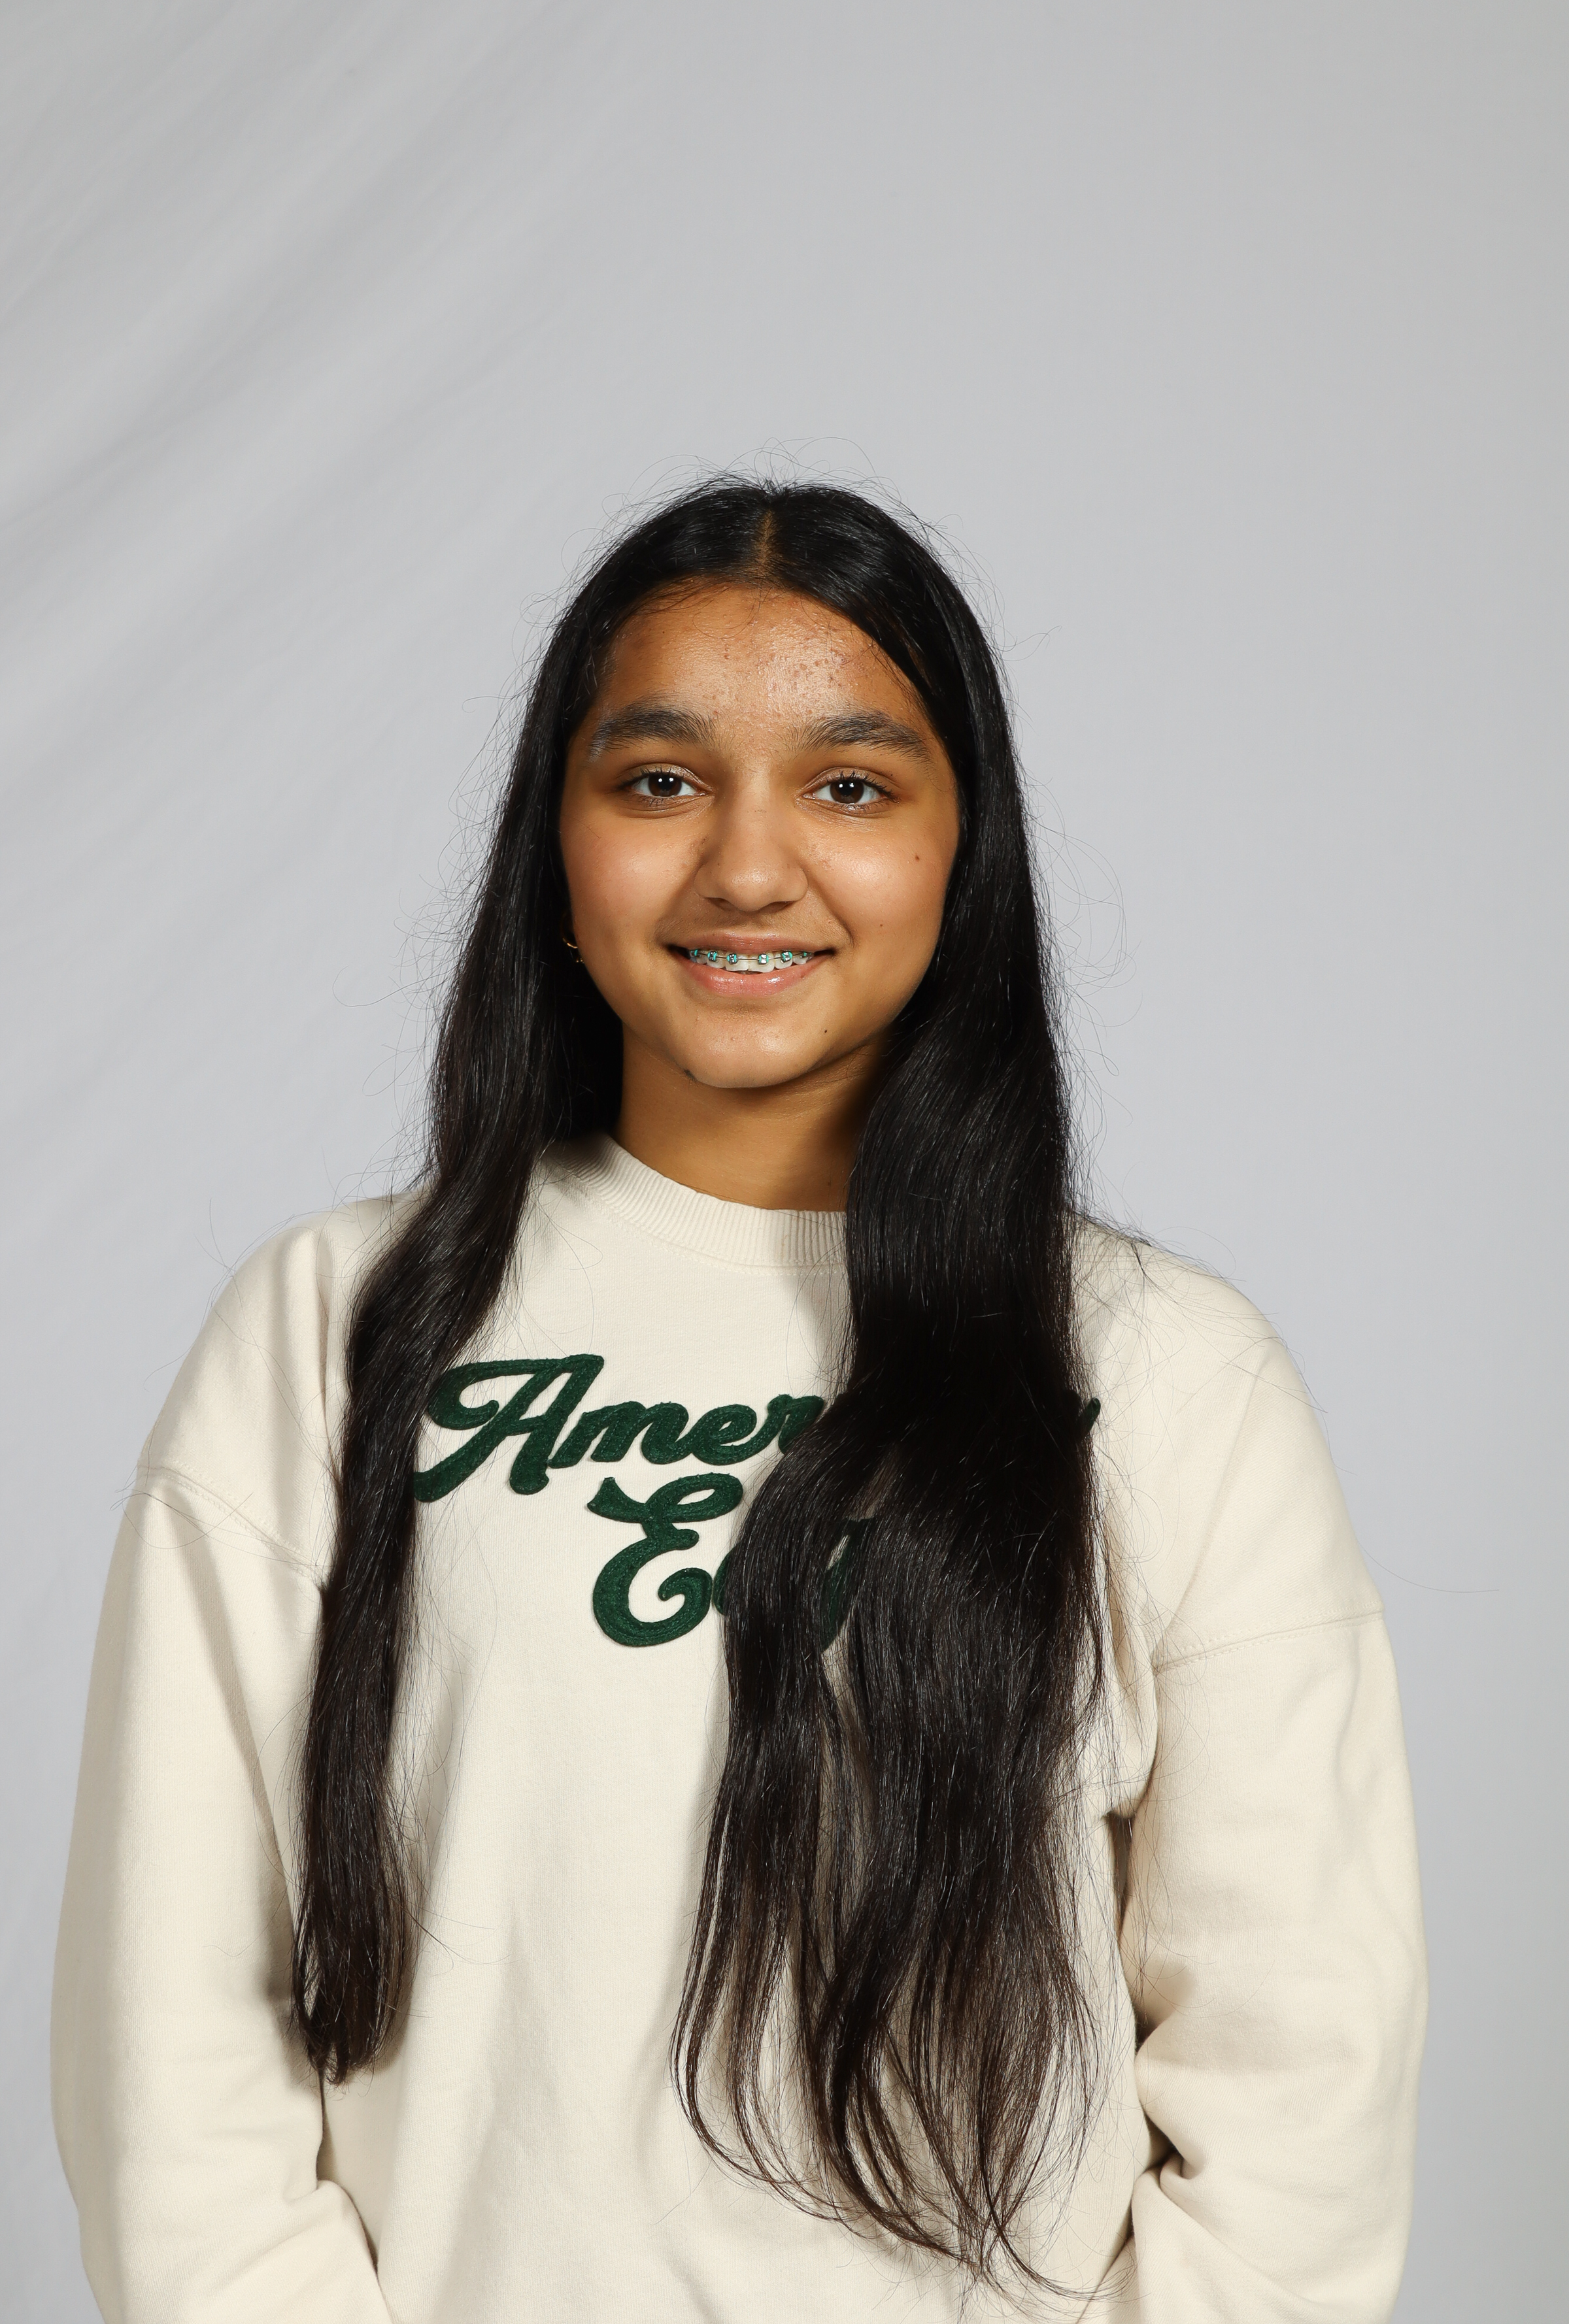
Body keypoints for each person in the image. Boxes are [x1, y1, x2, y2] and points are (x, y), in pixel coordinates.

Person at [51, 480, 1426, 2323]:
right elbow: (174, 2039)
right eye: (659, 781)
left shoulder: (1165, 1373)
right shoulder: (331, 1328)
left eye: (850, 786)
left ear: (960, 850)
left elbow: (1300, 2077)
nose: (749, 868)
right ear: (557, 839)